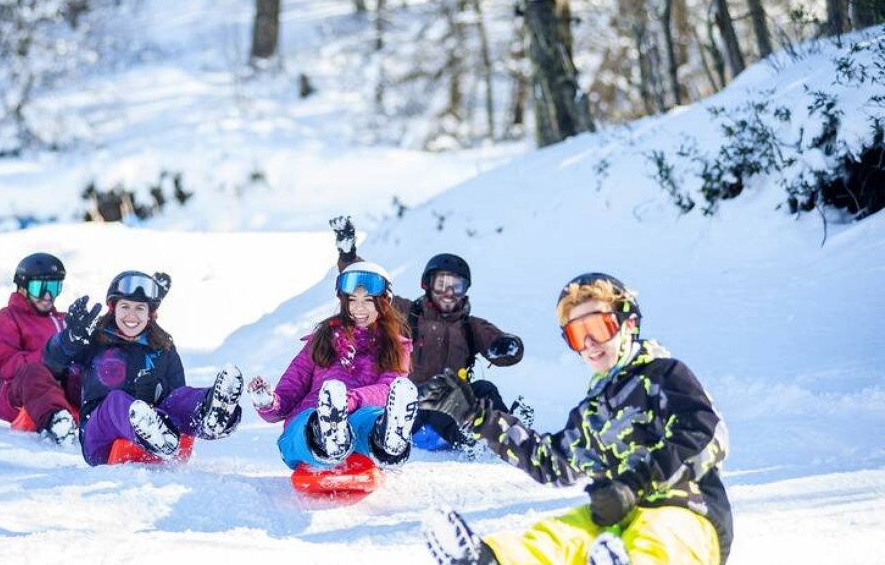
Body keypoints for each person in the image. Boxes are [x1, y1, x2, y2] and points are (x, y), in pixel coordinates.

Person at [419, 272, 732, 565]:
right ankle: (489, 559)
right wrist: (475, 415)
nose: (590, 343)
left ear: (629, 322)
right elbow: (552, 462)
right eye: (577, 334)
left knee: (655, 534)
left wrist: (631, 485)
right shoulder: (594, 411)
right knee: (562, 534)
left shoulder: (664, 375)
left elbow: (702, 433)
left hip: (687, 511)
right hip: (618, 518)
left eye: (597, 328)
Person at [329, 216, 528, 449]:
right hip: (412, 407)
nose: (449, 292)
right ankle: (468, 439)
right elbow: (372, 289)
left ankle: (507, 432)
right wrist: (348, 255)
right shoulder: (409, 314)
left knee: (484, 389)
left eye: (457, 286)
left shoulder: (469, 325)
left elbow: (499, 344)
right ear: (427, 285)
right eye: (442, 284)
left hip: (456, 400)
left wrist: (506, 346)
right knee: (440, 394)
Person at [43, 270, 245, 465]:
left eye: (140, 308)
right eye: (125, 307)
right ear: (113, 309)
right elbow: (53, 360)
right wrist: (69, 338)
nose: (132, 315)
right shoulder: (95, 341)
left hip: (160, 431)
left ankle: (210, 413)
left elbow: (176, 396)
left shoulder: (162, 348)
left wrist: (153, 396)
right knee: (116, 400)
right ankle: (151, 431)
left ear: (151, 313)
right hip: (99, 436)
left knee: (179, 397)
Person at [248, 261, 420, 470]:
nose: (359, 308)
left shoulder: (396, 346)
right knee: (306, 423)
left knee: (368, 419)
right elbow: (289, 393)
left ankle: (387, 440)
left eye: (368, 300)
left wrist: (350, 400)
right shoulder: (321, 340)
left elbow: (388, 389)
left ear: (383, 303)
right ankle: (325, 436)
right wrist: (268, 403)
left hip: (360, 415)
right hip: (311, 414)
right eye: (352, 300)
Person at [0, 252, 77, 444]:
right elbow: (5, 365)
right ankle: (57, 421)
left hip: (64, 392)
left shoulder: (64, 319)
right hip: (20, 393)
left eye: (54, 287)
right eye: (39, 288)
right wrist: (50, 354)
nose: (47, 296)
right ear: (22, 288)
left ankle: (120, 419)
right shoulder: (9, 317)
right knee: (33, 371)